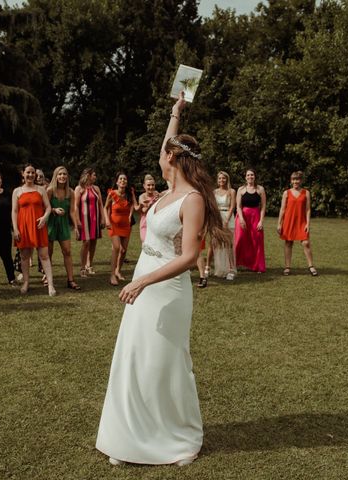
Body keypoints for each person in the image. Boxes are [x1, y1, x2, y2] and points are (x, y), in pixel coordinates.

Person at [96, 92, 229, 466]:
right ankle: (128, 438)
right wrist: (176, 111)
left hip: (166, 289)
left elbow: (189, 257)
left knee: (164, 362)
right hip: (143, 282)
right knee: (135, 358)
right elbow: (163, 145)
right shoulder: (168, 191)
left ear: (175, 158)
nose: (161, 155)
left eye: (166, 152)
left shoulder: (193, 201)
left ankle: (178, 438)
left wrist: (142, 282)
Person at [12, 164, 56, 295]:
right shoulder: (17, 191)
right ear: (23, 174)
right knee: (25, 257)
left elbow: (48, 207)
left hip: (39, 225)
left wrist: (45, 217)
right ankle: (26, 282)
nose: (31, 175)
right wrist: (15, 229)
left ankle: (51, 285)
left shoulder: (41, 189)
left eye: (32, 173)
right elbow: (14, 211)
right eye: (28, 172)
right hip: (23, 227)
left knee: (44, 255)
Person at [277, 171, 318, 276]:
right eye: (293, 179)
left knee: (306, 243)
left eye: (297, 179)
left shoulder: (306, 192)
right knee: (288, 243)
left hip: (301, 221)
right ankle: (287, 267)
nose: (295, 181)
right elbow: (282, 209)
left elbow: (308, 209)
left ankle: (311, 266)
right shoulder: (286, 193)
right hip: (289, 221)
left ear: (301, 180)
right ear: (291, 181)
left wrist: (308, 224)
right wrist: (279, 223)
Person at [47, 166, 81, 290]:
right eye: (60, 174)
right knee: (48, 253)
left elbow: (72, 211)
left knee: (67, 251)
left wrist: (76, 227)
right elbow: (43, 208)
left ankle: (70, 280)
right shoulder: (50, 190)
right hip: (50, 223)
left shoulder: (70, 192)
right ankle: (48, 278)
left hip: (63, 224)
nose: (62, 176)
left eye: (64, 174)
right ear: (56, 176)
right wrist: (54, 210)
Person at [105, 173, 136, 286]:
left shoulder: (128, 194)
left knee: (123, 250)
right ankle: (112, 275)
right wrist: (107, 220)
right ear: (117, 182)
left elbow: (134, 205)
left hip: (126, 225)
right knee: (117, 247)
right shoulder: (112, 194)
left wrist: (130, 215)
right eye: (121, 179)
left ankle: (118, 270)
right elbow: (105, 207)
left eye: (125, 179)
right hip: (113, 224)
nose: (123, 180)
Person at [75, 167, 106, 277]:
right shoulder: (79, 189)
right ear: (88, 175)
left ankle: (89, 265)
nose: (95, 177)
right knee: (86, 242)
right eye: (94, 175)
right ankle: (82, 267)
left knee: (93, 241)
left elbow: (101, 205)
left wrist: (103, 218)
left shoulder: (96, 188)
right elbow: (75, 206)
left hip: (95, 218)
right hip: (84, 219)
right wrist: (77, 220)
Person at [234, 168, 266, 273]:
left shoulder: (260, 189)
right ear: (245, 177)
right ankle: (235, 264)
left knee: (256, 240)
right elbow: (238, 206)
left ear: (255, 176)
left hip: (255, 216)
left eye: (252, 175)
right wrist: (241, 219)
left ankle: (257, 266)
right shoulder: (241, 189)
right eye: (248, 175)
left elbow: (263, 206)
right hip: (242, 216)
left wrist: (261, 221)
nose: (250, 177)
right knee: (239, 240)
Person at [211, 171, 237, 280]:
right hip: (217, 218)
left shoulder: (231, 191)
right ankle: (221, 269)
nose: (222, 180)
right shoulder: (214, 192)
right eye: (220, 178)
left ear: (227, 179)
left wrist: (227, 220)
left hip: (228, 217)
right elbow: (213, 206)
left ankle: (231, 269)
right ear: (217, 180)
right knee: (217, 244)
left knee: (229, 244)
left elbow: (232, 206)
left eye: (224, 178)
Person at [136, 174, 159, 242]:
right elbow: (143, 211)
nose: (151, 187)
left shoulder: (157, 193)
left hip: (155, 223)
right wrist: (151, 204)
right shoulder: (142, 197)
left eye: (152, 185)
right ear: (144, 186)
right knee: (146, 243)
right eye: (148, 185)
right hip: (145, 224)